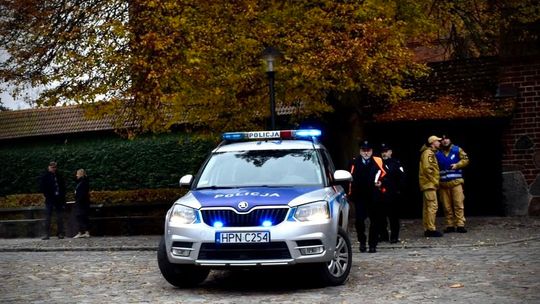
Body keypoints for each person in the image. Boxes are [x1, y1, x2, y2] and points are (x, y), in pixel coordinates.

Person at [349, 140, 386, 253]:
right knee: (359, 221)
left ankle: (372, 244)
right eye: (363, 150)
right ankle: (362, 241)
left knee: (375, 221)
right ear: (360, 151)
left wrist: (381, 184)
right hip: (360, 196)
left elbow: (385, 176)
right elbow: (349, 179)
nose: (366, 153)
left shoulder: (378, 161)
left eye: (368, 150)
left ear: (372, 151)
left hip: (374, 195)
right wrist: (350, 194)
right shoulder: (354, 162)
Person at [436, 135, 470, 233]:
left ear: (450, 139)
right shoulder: (437, 152)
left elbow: (466, 160)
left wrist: (457, 165)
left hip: (456, 182)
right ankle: (449, 225)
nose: (445, 141)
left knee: (458, 204)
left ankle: (460, 224)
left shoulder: (457, 149)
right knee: (446, 206)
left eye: (446, 138)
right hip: (443, 183)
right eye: (442, 139)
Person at [379, 143, 405, 243]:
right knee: (381, 217)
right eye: (382, 152)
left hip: (393, 194)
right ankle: (383, 235)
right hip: (381, 194)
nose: (384, 154)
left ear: (390, 152)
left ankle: (394, 236)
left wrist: (398, 190)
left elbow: (402, 178)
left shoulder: (396, 163)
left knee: (393, 217)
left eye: (386, 151)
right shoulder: (378, 163)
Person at [419, 136, 443, 237]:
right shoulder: (428, 153)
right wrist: (435, 181)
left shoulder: (429, 152)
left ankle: (428, 228)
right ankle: (431, 229)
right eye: (438, 141)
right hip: (429, 184)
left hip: (427, 184)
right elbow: (427, 168)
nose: (439, 142)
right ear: (433, 142)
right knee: (432, 206)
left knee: (427, 207)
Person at [39, 161, 66, 240]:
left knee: (59, 217)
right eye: (52, 167)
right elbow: (42, 187)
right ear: (49, 167)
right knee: (48, 216)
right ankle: (46, 234)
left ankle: (60, 233)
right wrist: (48, 195)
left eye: (55, 167)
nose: (54, 168)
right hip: (50, 199)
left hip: (58, 199)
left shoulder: (59, 176)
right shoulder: (45, 176)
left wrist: (62, 197)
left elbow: (63, 187)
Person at [73, 169, 91, 238]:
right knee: (81, 217)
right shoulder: (81, 182)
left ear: (80, 174)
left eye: (77, 174)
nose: (76, 175)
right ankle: (82, 232)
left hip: (82, 203)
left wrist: (78, 199)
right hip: (81, 202)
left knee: (82, 217)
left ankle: (84, 232)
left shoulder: (84, 182)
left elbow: (83, 194)